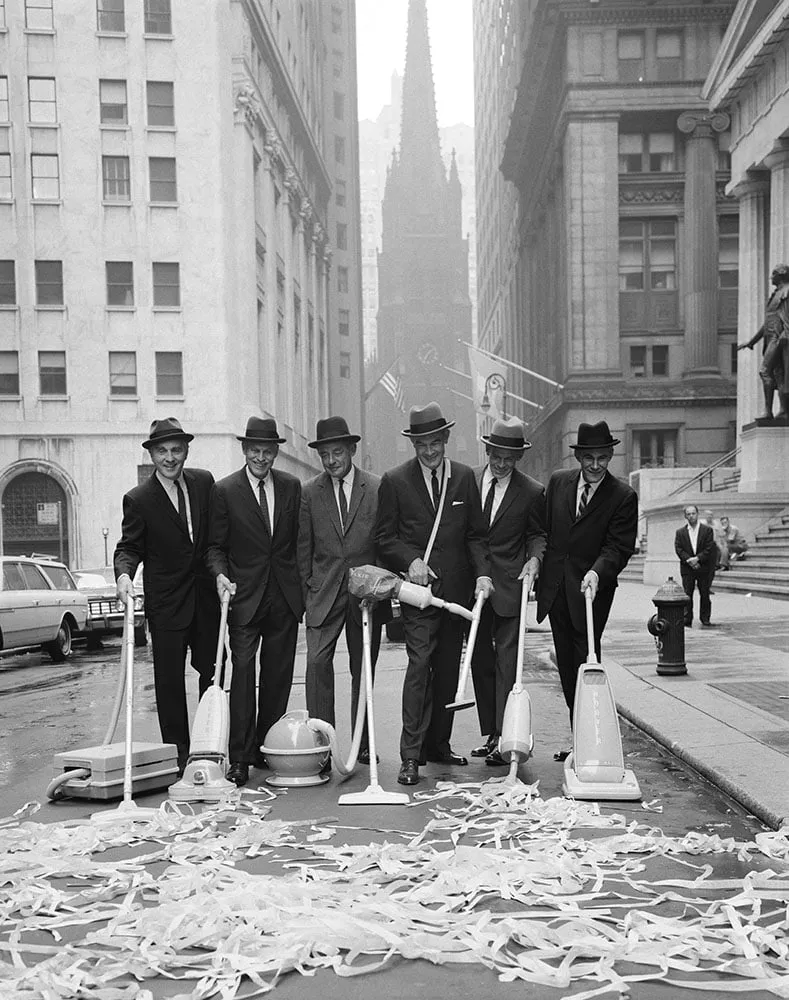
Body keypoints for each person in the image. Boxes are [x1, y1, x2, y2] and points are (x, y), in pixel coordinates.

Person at [375, 402, 493, 786]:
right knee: (418, 666)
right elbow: (384, 538)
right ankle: (410, 756)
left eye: (435, 442)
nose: (429, 451)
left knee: (446, 670)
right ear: (413, 444)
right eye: (421, 444)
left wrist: (483, 575)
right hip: (418, 594)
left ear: (445, 438)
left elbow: (476, 535)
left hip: (457, 593)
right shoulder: (394, 481)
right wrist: (410, 560)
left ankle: (437, 745)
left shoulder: (463, 478)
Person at [114, 417, 220, 774]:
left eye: (176, 450)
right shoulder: (139, 499)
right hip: (167, 605)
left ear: (187, 450)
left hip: (206, 601)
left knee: (214, 675)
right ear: (152, 455)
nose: (170, 458)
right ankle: (179, 757)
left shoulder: (204, 483)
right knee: (170, 684)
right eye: (162, 451)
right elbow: (128, 547)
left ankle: (211, 749)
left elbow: (215, 537)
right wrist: (124, 576)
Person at [206, 416, 303, 787]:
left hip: (283, 598)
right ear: (244, 450)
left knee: (278, 677)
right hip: (244, 598)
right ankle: (241, 758)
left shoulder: (292, 487)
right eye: (254, 451)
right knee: (243, 675)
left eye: (267, 451)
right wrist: (219, 575)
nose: (261, 458)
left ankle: (267, 747)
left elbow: (297, 541)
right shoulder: (225, 490)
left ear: (276, 452)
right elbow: (215, 546)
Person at [536, 420, 638, 760]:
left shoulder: (623, 496)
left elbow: (618, 548)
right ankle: (580, 737)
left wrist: (597, 572)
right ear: (579, 456)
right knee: (566, 665)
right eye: (589, 457)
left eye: (603, 457)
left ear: (610, 456)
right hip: (556, 591)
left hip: (591, 593)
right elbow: (544, 530)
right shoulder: (558, 482)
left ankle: (590, 742)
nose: (595, 465)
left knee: (585, 662)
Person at [298, 416, 389, 765]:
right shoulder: (309, 492)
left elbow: (383, 543)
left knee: (362, 668)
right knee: (318, 664)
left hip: (365, 595)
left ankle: (362, 746)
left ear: (352, 450)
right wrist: (308, 592)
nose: (332, 460)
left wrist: (379, 587)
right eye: (325, 455)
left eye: (338, 452)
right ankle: (322, 745)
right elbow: (302, 548)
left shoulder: (377, 488)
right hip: (323, 594)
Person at [470, 416, 546, 766]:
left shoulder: (531, 491)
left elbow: (537, 535)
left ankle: (505, 735)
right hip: (473, 584)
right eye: (496, 456)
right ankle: (491, 733)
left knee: (506, 662)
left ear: (518, 459)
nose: (501, 464)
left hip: (510, 587)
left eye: (509, 459)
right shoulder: (467, 481)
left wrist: (534, 560)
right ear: (487, 450)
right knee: (481, 661)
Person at [738, 263, 789, 420]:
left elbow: (786, 317)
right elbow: (768, 322)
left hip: (778, 338)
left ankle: (769, 411)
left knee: (765, 371)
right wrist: (751, 342)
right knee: (778, 374)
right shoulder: (776, 294)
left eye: (773, 274)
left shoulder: (786, 292)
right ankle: (783, 411)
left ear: (781, 275)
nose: (771, 277)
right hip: (772, 338)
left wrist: (786, 333)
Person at [675, 504, 716, 628]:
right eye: (688, 514)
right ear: (685, 516)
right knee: (688, 594)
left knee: (704, 593)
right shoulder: (680, 532)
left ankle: (705, 618)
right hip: (687, 568)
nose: (691, 516)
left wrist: (697, 559)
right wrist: (689, 560)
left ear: (697, 514)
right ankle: (687, 619)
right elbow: (679, 548)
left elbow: (709, 548)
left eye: (693, 513)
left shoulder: (707, 530)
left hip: (703, 566)